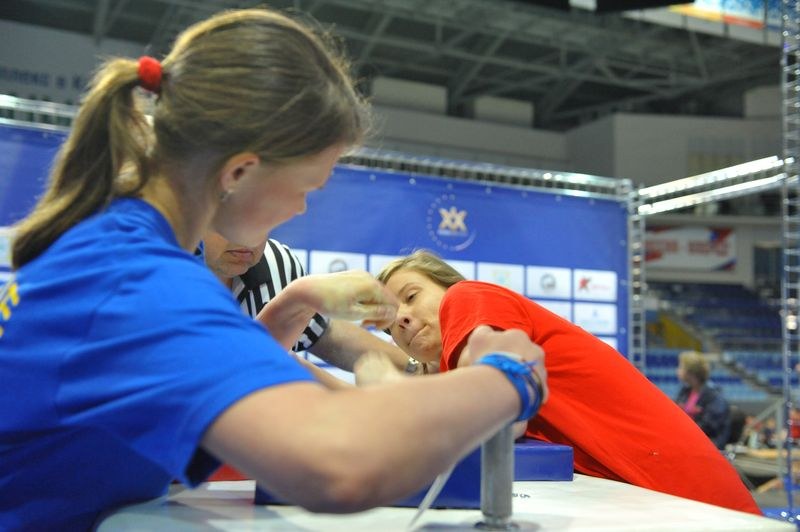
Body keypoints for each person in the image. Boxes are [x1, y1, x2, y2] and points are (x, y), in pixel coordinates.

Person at [0, 9, 547, 531]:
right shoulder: (140, 282)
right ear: (239, 170)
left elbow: (217, 371)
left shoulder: (117, 244)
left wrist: (294, 301)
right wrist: (509, 377)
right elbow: (338, 465)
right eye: (307, 188)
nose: (302, 209)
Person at [376, 250, 760, 515]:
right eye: (391, 323)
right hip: (661, 501)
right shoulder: (450, 365)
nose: (403, 319)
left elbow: (494, 409)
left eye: (411, 296)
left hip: (697, 502)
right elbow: (395, 368)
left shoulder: (467, 295)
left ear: (446, 286)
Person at [202, 232, 414, 373]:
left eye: (267, 217)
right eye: (232, 213)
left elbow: (322, 332)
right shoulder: (170, 278)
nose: (249, 236)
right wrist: (297, 298)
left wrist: (418, 369)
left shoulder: (278, 262)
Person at [675, 350, 732, 449]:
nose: (678, 370)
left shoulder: (714, 396)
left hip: (707, 445)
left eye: (681, 367)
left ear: (691, 372)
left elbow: (709, 427)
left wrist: (682, 432)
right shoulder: (684, 392)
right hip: (687, 442)